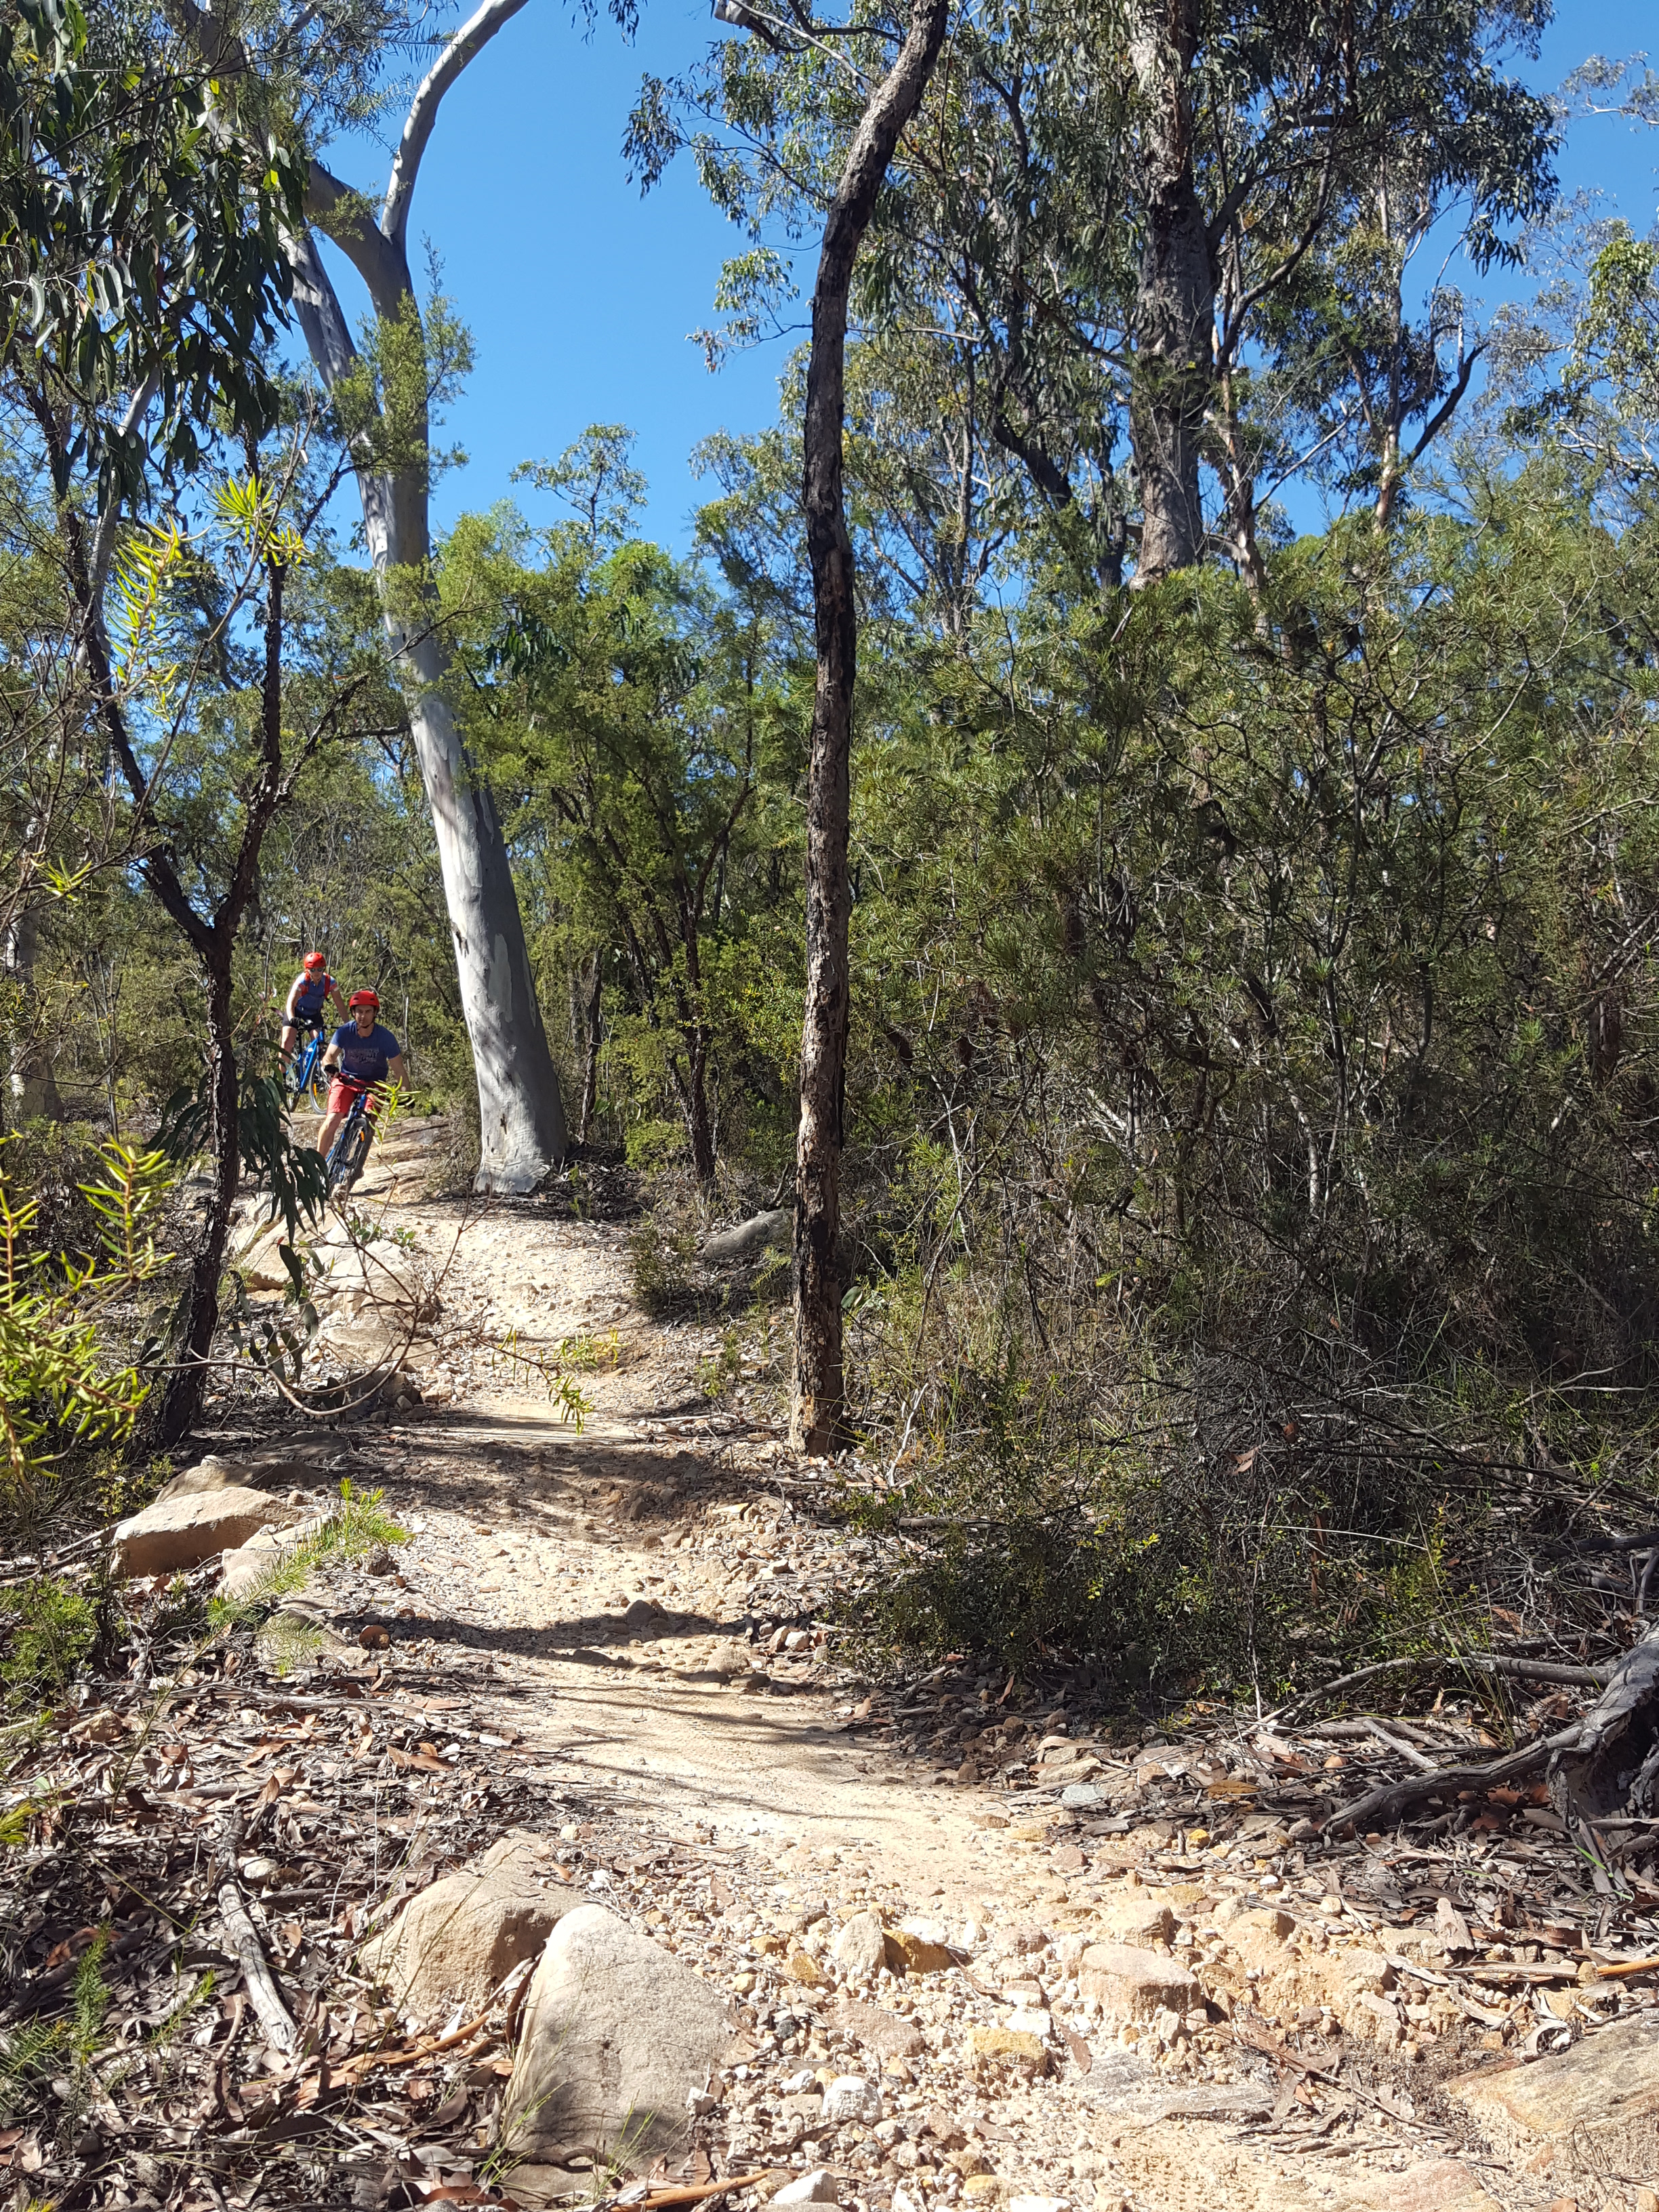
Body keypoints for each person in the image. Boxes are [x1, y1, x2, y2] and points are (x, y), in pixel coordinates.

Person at [316, 989, 407, 1160]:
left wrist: (405, 1094)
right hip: (347, 1080)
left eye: (368, 1012)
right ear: (353, 1013)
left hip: (375, 1085)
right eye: (359, 1011)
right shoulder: (344, 1032)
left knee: (369, 1121)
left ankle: (358, 1159)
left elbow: (399, 1071)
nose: (363, 1016)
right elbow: (329, 1056)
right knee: (332, 1119)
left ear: (375, 1014)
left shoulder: (386, 1037)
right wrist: (329, 1066)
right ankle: (317, 1164)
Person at [281, 951, 346, 1069]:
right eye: (312, 970)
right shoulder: (302, 981)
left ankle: (312, 1072)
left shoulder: (330, 982)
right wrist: (292, 1019)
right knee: (286, 1042)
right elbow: (290, 1003)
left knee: (318, 1042)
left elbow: (340, 1005)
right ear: (307, 970)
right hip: (296, 1012)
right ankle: (282, 1078)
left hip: (314, 1014)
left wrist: (348, 1024)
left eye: (320, 969)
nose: (316, 973)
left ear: (324, 969)